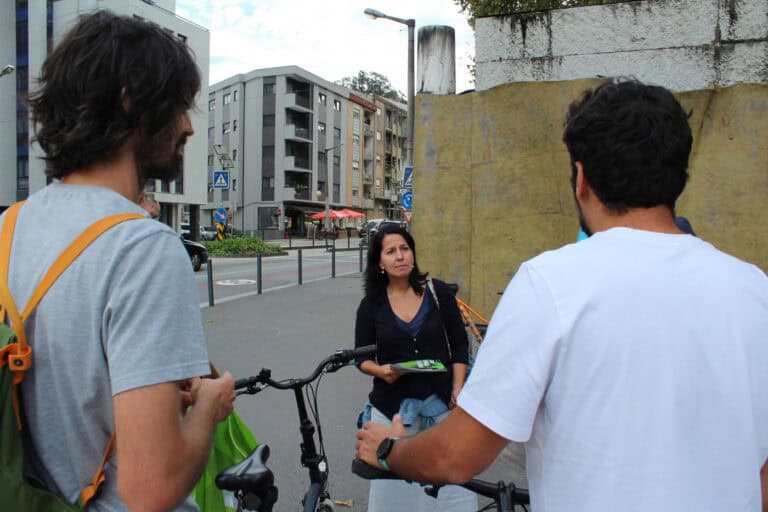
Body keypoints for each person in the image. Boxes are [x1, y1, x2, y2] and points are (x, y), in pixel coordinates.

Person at [356, 80, 768, 511]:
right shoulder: (753, 288)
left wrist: (388, 449)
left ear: (582, 179)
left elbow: (454, 455)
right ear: (678, 174)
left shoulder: (548, 285)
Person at [1, 11, 235, 511]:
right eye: (178, 105)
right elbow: (151, 487)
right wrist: (210, 406)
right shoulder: (143, 248)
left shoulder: (9, 228)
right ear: (131, 99)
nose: (188, 126)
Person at [354, 223, 476, 511]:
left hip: (443, 406)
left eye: (405, 249)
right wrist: (381, 371)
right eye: (391, 251)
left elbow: (460, 345)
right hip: (392, 410)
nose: (400, 256)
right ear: (379, 262)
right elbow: (362, 358)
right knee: (394, 496)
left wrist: (458, 388)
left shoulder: (438, 292)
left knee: (452, 487)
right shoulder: (371, 305)